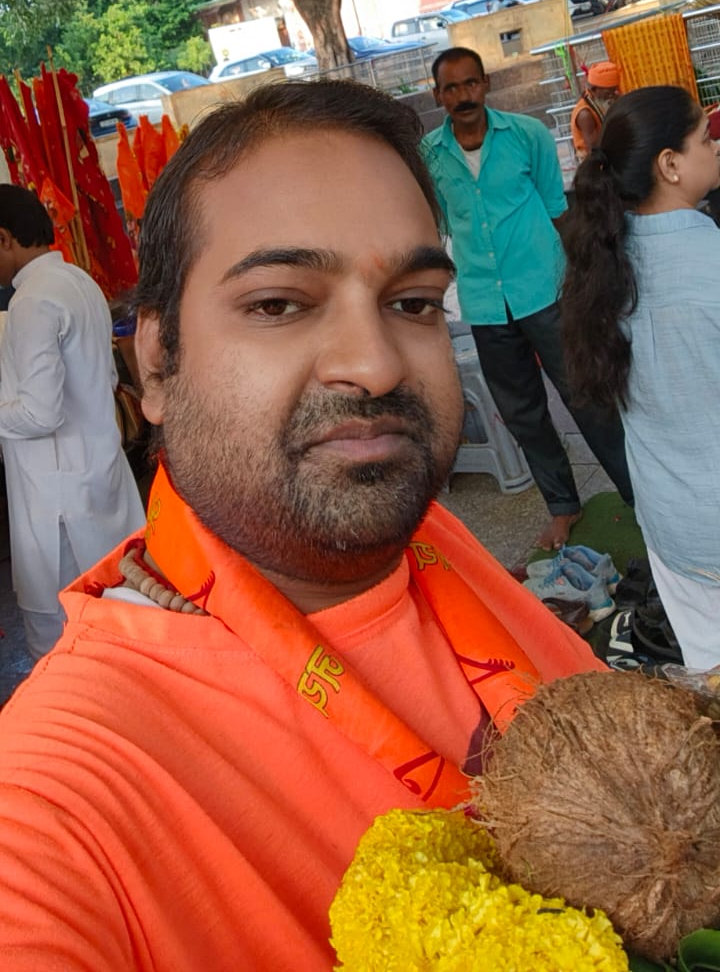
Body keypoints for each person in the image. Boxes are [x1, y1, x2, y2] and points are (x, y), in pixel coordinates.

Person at [0, 82, 601, 972]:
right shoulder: (62, 791)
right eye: (279, 303)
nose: (374, 365)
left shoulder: (431, 544)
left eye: (413, 302)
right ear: (156, 363)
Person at [423, 47, 631, 551]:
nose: (463, 96)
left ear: (486, 84)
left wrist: (586, 279)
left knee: (586, 397)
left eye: (470, 83)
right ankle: (563, 506)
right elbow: (442, 223)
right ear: (437, 96)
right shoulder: (429, 156)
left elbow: (557, 209)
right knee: (523, 415)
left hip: (546, 290)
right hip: (484, 304)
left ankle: (638, 493)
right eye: (451, 88)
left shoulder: (527, 135)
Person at [561, 85, 720, 671]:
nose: (716, 147)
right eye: (705, 138)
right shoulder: (710, 263)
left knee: (711, 673)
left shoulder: (601, 272)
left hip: (673, 526)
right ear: (670, 164)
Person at [0, 186, 144, 660]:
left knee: (60, 635)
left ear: (4, 239)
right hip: (98, 476)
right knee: (124, 605)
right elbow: (104, 380)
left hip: (58, 501)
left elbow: (40, 413)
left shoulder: (32, 302)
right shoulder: (78, 282)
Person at [570, 60, 621, 160]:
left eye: (615, 90)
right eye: (608, 92)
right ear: (593, 90)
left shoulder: (601, 103)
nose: (613, 95)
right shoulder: (585, 115)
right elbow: (595, 151)